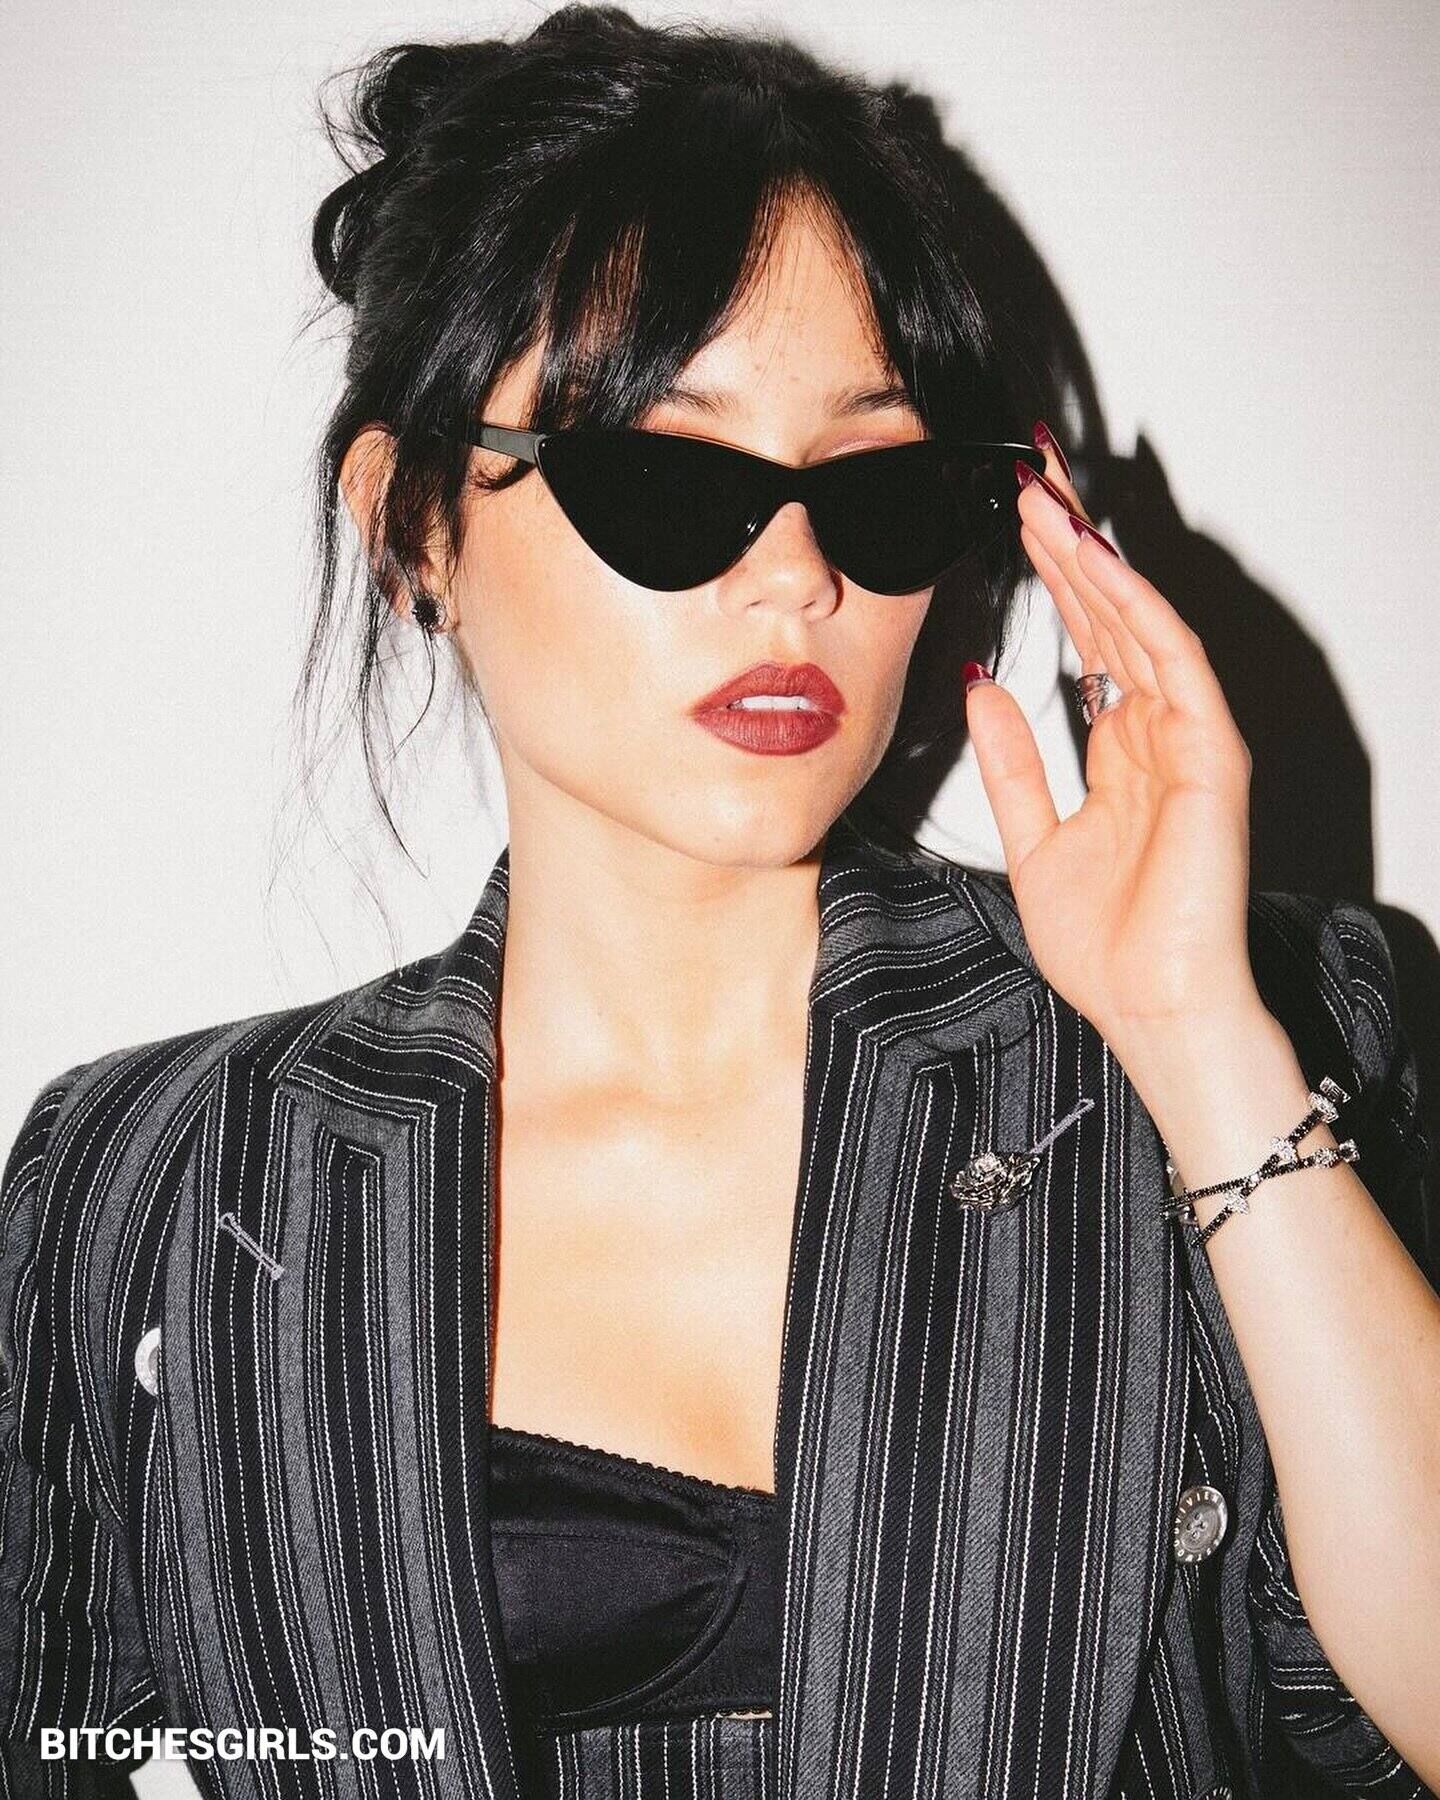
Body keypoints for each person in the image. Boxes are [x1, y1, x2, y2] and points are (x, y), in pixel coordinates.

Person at [2, 7, 1437, 1799]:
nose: (797, 576)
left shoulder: (1250, 1041)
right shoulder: (152, 1188)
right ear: (415, 521)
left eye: (880, 488)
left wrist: (1199, 1042)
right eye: (669, 477)